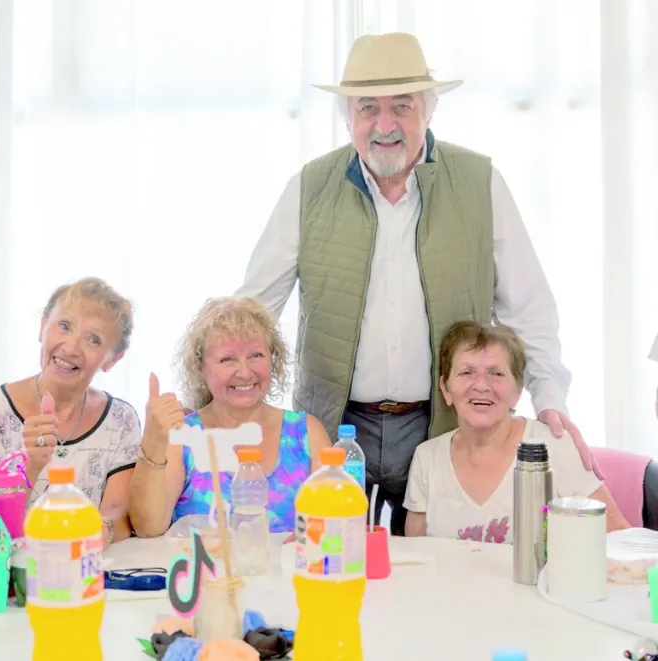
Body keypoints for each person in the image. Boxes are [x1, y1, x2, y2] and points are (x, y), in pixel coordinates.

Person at [236, 32, 595, 535]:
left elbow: (527, 308)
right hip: (335, 430)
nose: (384, 125)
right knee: (329, 564)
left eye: (401, 107)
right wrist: (224, 399)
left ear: (429, 110)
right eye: (368, 109)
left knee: (439, 580)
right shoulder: (308, 187)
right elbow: (253, 311)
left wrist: (549, 397)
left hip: (443, 427)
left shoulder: (479, 182)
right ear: (348, 118)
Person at [0, 277, 141, 547]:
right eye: (64, 326)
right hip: (6, 579)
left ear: (113, 359)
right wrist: (32, 464)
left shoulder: (121, 420)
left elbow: (119, 514)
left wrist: (101, 531)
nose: (71, 347)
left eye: (93, 340)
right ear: (43, 327)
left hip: (86, 572)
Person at [404, 322, 629, 542]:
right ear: (446, 389)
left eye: (497, 374)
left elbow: (619, 537)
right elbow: (418, 560)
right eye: (466, 372)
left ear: (517, 391)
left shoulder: (552, 444)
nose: (481, 385)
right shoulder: (427, 457)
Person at [128, 297, 332, 537]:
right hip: (208, 573)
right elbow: (148, 528)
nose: (245, 373)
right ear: (200, 368)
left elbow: (337, 521)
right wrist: (153, 440)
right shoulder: (183, 436)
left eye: (256, 355)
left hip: (291, 572)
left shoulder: (307, 432)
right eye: (227, 359)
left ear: (272, 359)